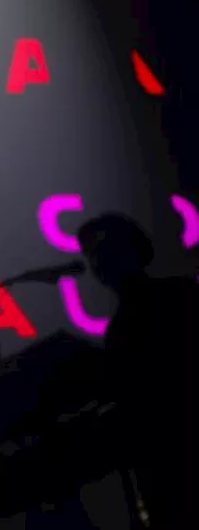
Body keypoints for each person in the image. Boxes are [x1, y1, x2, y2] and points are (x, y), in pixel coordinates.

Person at [76, 213, 198, 529]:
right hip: (162, 471)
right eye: (89, 254)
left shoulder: (181, 296)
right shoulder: (117, 330)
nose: (96, 261)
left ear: (133, 247)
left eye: (102, 248)